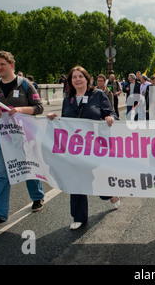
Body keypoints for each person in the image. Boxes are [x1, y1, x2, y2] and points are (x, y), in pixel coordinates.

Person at [47, 66, 120, 230]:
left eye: (81, 76)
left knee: (97, 177)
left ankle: (109, 194)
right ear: (70, 81)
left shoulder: (98, 95)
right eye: (74, 77)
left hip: (95, 145)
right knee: (76, 180)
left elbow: (112, 113)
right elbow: (65, 121)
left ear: (88, 79)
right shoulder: (69, 98)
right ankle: (79, 217)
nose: (77, 79)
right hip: (75, 148)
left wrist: (109, 117)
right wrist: (55, 118)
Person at [0, 51, 45, 229]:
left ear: (12, 65)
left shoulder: (25, 84)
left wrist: (20, 110)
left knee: (28, 168)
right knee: (2, 174)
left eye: (2, 64)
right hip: (3, 137)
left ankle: (37, 197)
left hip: (24, 135)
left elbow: (39, 107)